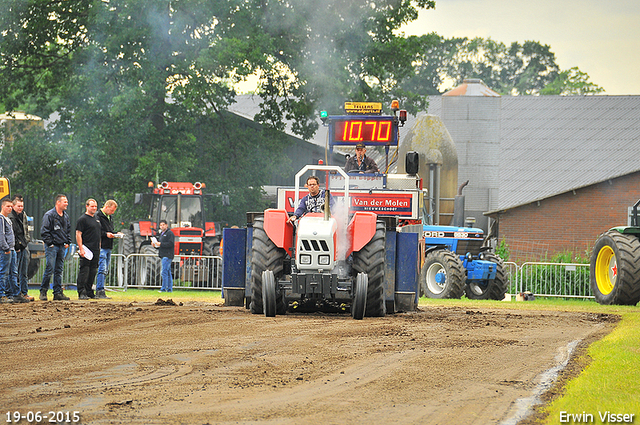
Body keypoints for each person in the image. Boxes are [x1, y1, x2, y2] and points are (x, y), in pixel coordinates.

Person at [39, 194, 72, 301]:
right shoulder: (49, 215)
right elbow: (44, 231)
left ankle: (57, 292)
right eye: (65, 202)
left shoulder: (65, 216)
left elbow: (68, 230)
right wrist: (50, 243)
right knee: (50, 268)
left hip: (62, 246)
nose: (67, 204)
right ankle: (43, 291)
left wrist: (67, 241)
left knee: (59, 270)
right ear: (58, 202)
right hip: (52, 247)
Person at [1, 198, 29, 303]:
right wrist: (7, 248)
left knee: (14, 272)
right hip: (7, 250)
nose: (9, 208)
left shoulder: (8, 219)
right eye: (7, 206)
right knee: (4, 272)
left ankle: (15, 294)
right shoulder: (2, 219)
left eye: (10, 206)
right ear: (2, 206)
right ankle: (2, 294)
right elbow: (1, 235)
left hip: (12, 249)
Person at [76, 199, 101, 300]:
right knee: (84, 270)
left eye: (95, 206)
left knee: (93, 271)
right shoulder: (82, 219)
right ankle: (81, 292)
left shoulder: (96, 219)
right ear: (87, 206)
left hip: (96, 249)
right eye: (92, 206)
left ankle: (89, 291)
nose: (94, 208)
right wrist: (81, 248)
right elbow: (78, 233)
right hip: (86, 249)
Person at [9, 195, 33, 301]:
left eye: (22, 206)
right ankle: (14, 293)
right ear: (13, 206)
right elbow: (13, 233)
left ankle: (24, 292)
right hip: (16, 248)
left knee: (24, 272)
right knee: (14, 271)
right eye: (19, 206)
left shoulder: (23, 215)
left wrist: (26, 241)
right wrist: (17, 245)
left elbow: (26, 230)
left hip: (24, 246)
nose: (21, 208)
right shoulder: (11, 217)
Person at [96, 200, 121, 299]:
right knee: (102, 269)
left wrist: (115, 233)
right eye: (112, 210)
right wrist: (106, 234)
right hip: (102, 246)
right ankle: (99, 290)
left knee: (105, 270)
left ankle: (101, 289)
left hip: (108, 246)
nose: (112, 213)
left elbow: (109, 230)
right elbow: (97, 231)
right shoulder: (98, 216)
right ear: (106, 206)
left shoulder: (109, 217)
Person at [152, 219, 174, 292]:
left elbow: (171, 243)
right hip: (163, 255)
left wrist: (161, 244)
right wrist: (155, 245)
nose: (162, 226)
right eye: (160, 225)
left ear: (166, 225)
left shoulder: (170, 233)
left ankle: (164, 288)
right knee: (168, 272)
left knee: (164, 272)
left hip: (167, 255)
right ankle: (169, 289)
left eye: (163, 225)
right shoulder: (161, 234)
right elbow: (160, 244)